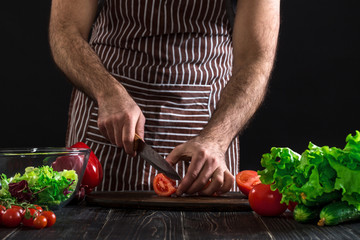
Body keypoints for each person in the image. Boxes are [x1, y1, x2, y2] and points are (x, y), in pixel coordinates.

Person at [48, 0, 280, 196]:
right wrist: (106, 92)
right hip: (108, 99)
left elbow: (255, 59)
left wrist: (217, 140)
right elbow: (66, 30)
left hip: (209, 114)